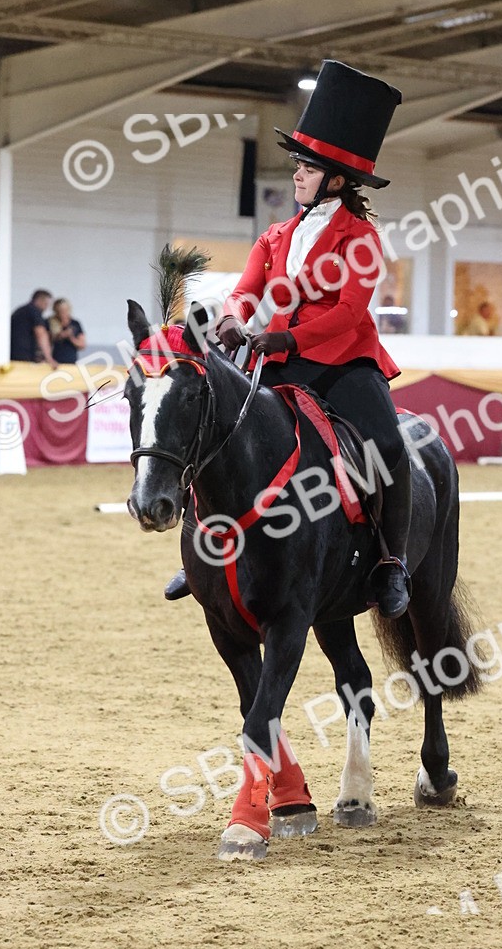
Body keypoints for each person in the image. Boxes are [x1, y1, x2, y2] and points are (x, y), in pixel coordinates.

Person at [170, 60, 410, 618]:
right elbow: (245, 292)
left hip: (342, 364)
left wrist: (285, 340)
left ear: (337, 178)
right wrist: (236, 319)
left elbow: (350, 313)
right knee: (212, 425)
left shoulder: (363, 238)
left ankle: (390, 563)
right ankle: (203, 552)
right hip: (272, 356)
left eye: (307, 166)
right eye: (299, 164)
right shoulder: (276, 235)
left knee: (391, 447)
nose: (297, 174)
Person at [10, 289, 56, 365]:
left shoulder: (21, 311)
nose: (46, 307)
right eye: (46, 304)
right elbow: (41, 334)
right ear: (39, 300)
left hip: (12, 353)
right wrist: (49, 358)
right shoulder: (34, 312)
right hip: (24, 355)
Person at [48, 298, 87, 364]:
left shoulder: (75, 324)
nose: (63, 313)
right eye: (60, 311)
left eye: (65, 310)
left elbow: (82, 345)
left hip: (71, 361)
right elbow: (45, 340)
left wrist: (71, 337)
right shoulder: (50, 322)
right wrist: (60, 335)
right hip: (53, 361)